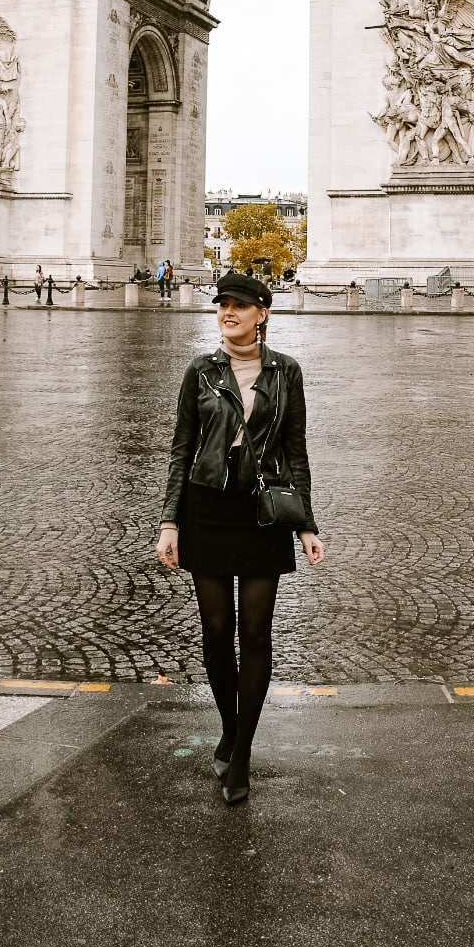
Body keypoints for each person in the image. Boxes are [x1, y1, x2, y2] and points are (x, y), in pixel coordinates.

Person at [156, 272, 325, 805]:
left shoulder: (287, 373)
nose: (228, 312)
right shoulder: (200, 372)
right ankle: (230, 726)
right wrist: (169, 522)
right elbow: (181, 450)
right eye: (223, 305)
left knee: (254, 632)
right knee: (214, 632)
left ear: (262, 314)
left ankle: (243, 752)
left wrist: (306, 524)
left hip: (261, 514)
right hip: (206, 510)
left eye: (239, 305)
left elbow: (295, 450)